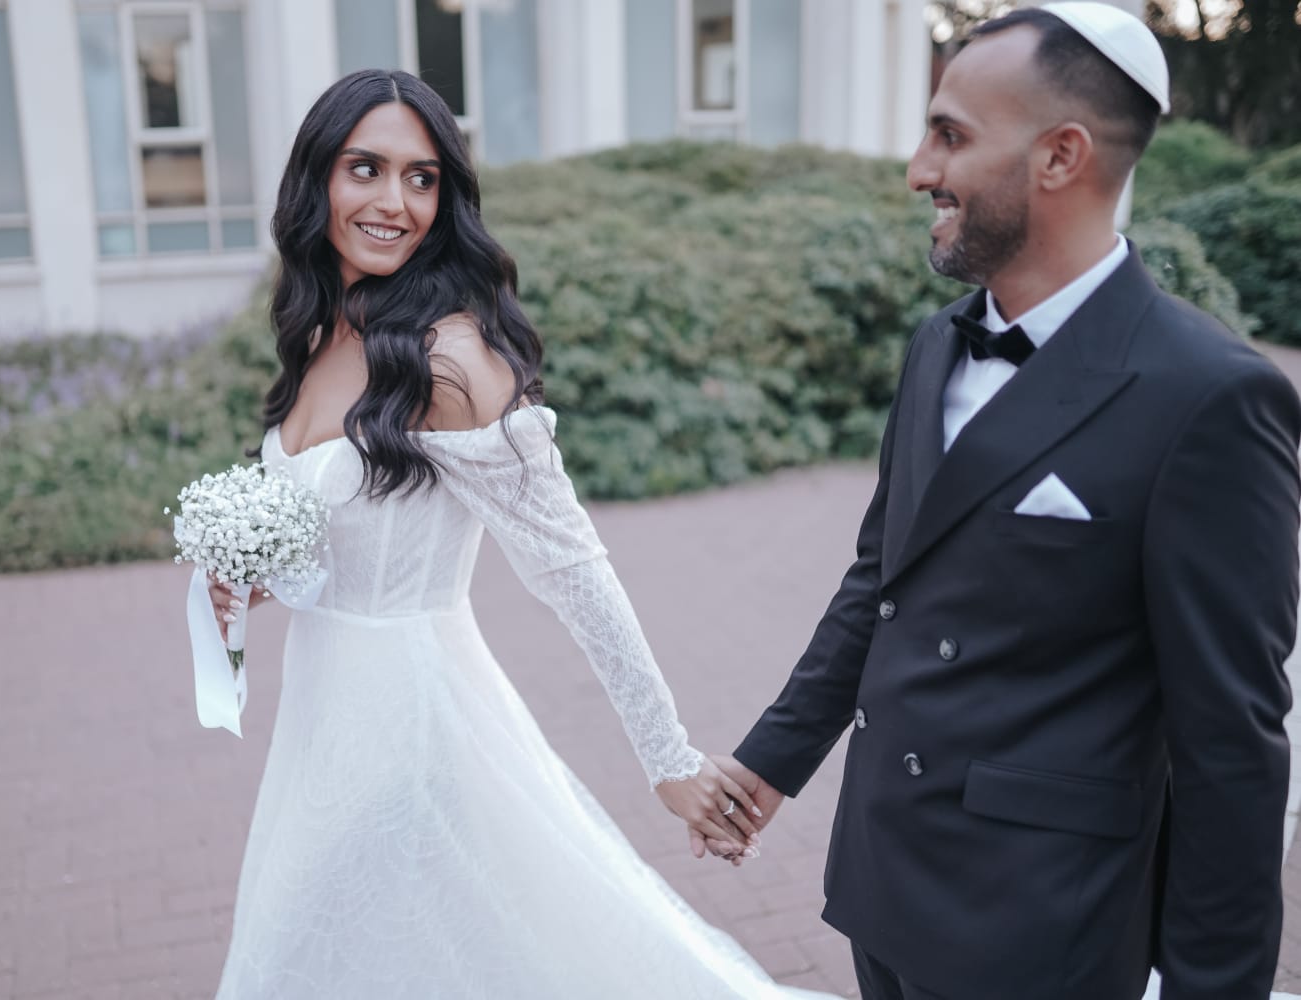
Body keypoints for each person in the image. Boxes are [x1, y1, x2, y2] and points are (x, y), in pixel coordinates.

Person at [701, 5, 1301, 999]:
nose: (918, 171)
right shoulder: (938, 343)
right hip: (882, 881)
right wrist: (773, 761)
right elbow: (881, 580)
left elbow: (1232, 746)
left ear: (1061, 156)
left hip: (1041, 928)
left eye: (949, 135)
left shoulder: (1210, 397)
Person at [204, 69, 835, 999]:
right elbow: (346, 533)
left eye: (422, 178)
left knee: (321, 945)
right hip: (321, 717)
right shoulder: (317, 331)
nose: (393, 202)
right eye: (365, 168)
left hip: (410, 716)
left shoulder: (451, 359)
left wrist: (666, 760)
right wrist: (258, 575)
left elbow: (573, 567)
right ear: (317, 179)